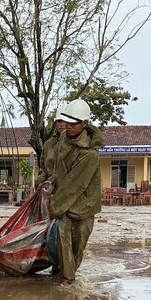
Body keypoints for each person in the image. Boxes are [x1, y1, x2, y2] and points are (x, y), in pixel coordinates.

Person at [48, 99, 103, 287]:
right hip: (64, 199)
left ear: (85, 124)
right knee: (63, 238)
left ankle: (69, 273)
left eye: (73, 124)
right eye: (66, 123)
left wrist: (54, 207)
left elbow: (74, 185)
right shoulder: (63, 139)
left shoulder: (90, 154)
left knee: (78, 244)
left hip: (84, 204)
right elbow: (57, 168)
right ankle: (67, 279)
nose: (68, 127)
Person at [36, 107, 68, 187]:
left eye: (64, 121)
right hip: (51, 189)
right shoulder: (48, 145)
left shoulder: (77, 144)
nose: (61, 124)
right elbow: (43, 169)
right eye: (59, 121)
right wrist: (40, 182)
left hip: (70, 189)